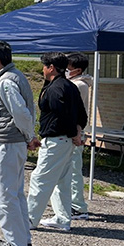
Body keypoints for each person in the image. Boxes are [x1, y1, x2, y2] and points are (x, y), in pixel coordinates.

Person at [0, 41, 38, 246]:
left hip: (9, 141)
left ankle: (15, 242)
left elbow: (21, 112)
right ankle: (22, 237)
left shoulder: (6, 81)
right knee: (15, 193)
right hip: (15, 141)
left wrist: (29, 136)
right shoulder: (16, 75)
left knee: (4, 194)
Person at [28, 52, 87, 231]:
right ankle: (62, 218)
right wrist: (77, 132)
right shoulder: (70, 86)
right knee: (62, 180)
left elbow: (64, 116)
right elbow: (81, 115)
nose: (43, 70)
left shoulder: (55, 89)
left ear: (51, 67)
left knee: (40, 179)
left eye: (44, 66)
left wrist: (73, 133)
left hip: (57, 140)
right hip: (66, 140)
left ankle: (29, 219)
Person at [52, 52, 92, 220]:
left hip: (75, 133)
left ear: (77, 70)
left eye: (68, 68)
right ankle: (74, 204)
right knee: (71, 169)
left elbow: (74, 112)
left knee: (74, 170)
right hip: (74, 132)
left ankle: (78, 206)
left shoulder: (78, 85)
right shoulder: (74, 84)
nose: (66, 70)